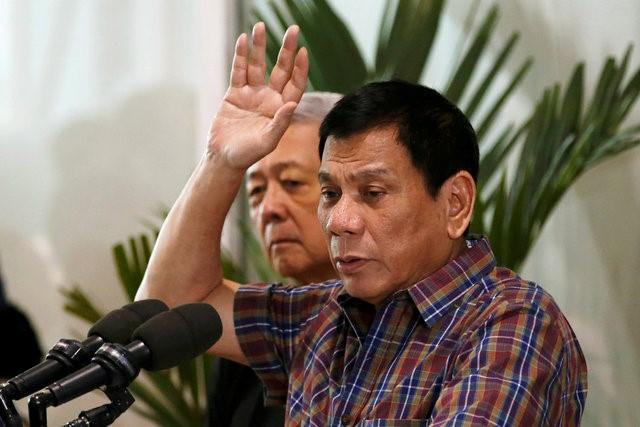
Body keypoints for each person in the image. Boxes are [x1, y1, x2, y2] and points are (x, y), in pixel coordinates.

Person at [138, 23, 587, 425]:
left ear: (455, 203)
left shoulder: (510, 320)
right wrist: (220, 162)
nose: (341, 221)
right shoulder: (322, 314)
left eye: (373, 194)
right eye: (330, 193)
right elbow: (169, 308)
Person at [206, 91, 341, 427]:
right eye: (256, 192)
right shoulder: (252, 332)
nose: (269, 210)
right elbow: (169, 298)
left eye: (293, 183)